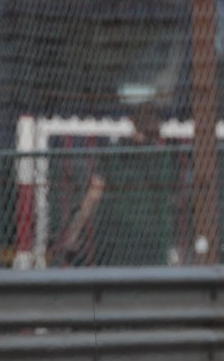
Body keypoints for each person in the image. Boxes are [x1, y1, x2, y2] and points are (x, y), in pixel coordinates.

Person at [52, 102, 174, 267]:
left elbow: (93, 194)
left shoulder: (114, 153)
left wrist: (75, 231)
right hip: (151, 241)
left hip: (114, 239)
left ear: (132, 122)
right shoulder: (163, 160)